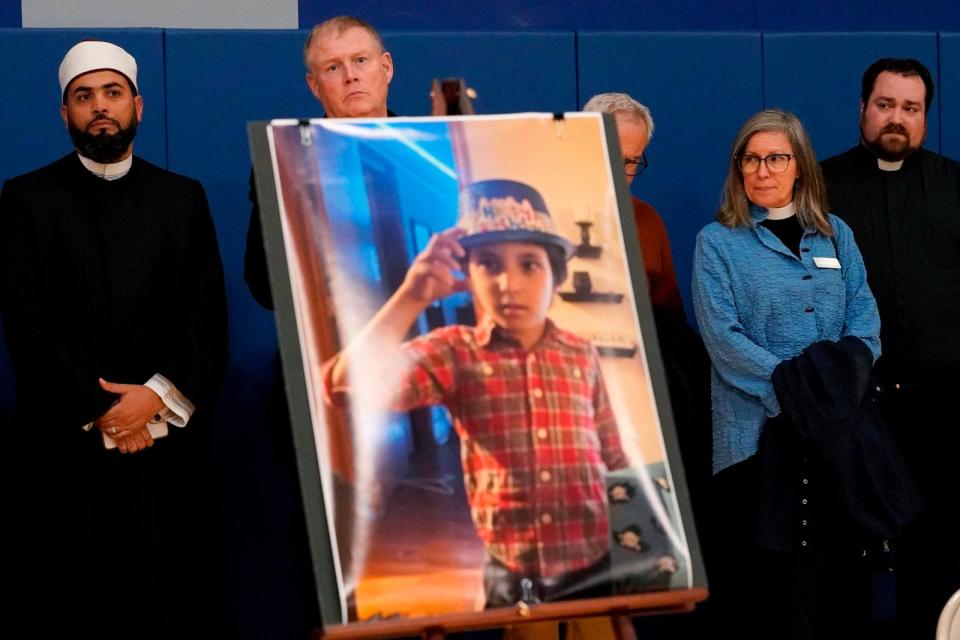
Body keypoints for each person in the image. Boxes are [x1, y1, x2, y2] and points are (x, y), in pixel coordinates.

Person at [324, 179, 629, 637]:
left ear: (556, 275)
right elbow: (345, 386)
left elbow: (613, 450)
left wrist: (639, 559)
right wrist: (413, 294)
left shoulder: (580, 353)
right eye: (489, 264)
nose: (510, 284)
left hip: (595, 558)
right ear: (469, 275)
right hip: (515, 571)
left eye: (530, 264)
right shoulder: (455, 352)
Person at [0, 40, 228, 639]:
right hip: (63, 457)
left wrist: (152, 401)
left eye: (112, 93)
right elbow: (28, 326)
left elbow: (206, 324)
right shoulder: (26, 200)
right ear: (64, 113)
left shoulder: (183, 199)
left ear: (138, 106)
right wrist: (107, 411)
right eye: (84, 96)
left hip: (168, 456)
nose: (100, 107)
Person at [692, 109, 883, 639]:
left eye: (776, 157)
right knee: (765, 596)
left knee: (839, 592)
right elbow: (725, 342)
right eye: (750, 159)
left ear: (800, 165)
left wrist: (833, 396)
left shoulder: (834, 234)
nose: (763, 170)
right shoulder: (718, 242)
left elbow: (865, 325)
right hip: (755, 443)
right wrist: (804, 395)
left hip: (835, 444)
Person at [820, 57, 960, 639]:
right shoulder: (819, 187)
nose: (896, 119)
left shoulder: (955, 185)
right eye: (885, 105)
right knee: (844, 558)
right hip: (852, 413)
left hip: (943, 413)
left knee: (936, 556)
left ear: (926, 115)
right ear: (862, 108)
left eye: (911, 108)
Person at [245, 15, 394, 307]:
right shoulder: (287, 159)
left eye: (361, 60)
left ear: (386, 67)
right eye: (333, 67)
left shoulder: (429, 143)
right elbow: (264, 284)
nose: (351, 75)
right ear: (314, 86)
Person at [581, 93, 683, 318]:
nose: (619, 171)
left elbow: (671, 316)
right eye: (611, 155)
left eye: (630, 161)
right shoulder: (544, 212)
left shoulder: (648, 220)